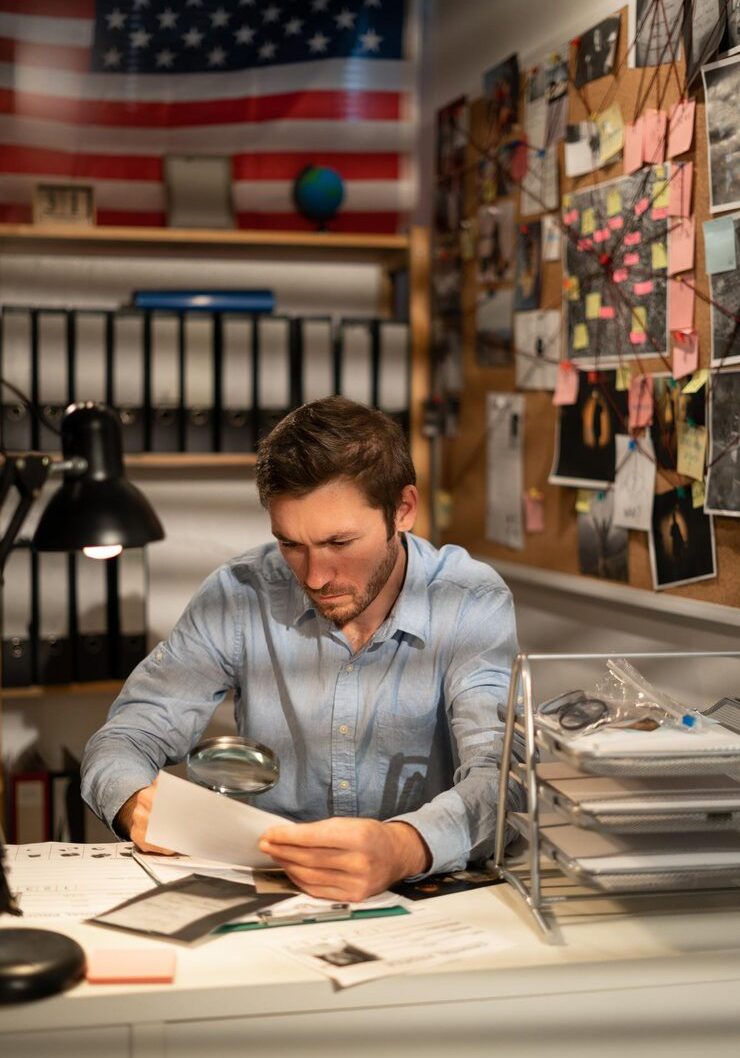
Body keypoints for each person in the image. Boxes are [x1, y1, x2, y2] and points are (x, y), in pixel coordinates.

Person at [81, 397, 518, 902]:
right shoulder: (239, 595)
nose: (315, 577)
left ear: (403, 510)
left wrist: (403, 846)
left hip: (428, 897)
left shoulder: (469, 602)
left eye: (339, 543)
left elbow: (500, 778)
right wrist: (136, 803)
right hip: (272, 896)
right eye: (291, 544)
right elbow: (123, 738)